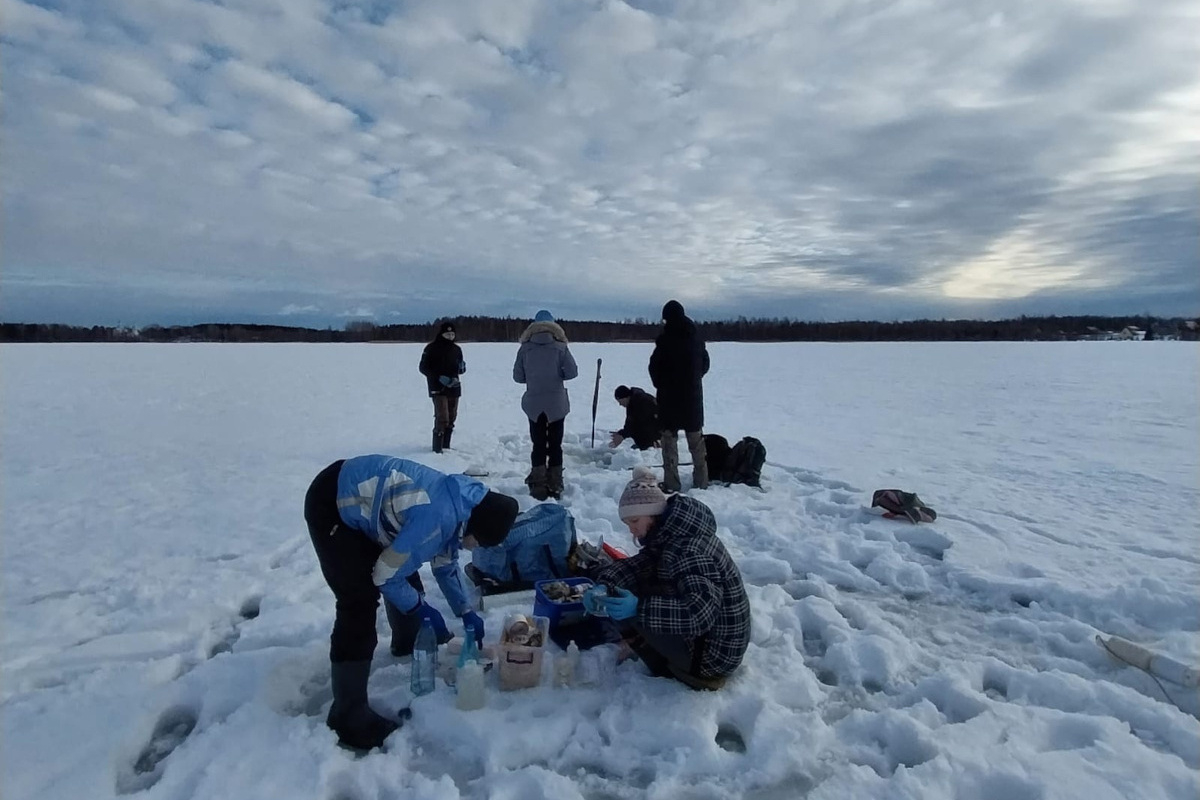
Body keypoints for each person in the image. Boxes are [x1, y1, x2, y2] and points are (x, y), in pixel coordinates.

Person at [304, 455, 519, 750]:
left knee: (406, 572)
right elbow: (385, 575)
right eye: (479, 543)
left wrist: (465, 610)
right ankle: (348, 715)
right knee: (359, 601)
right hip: (333, 504)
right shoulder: (437, 518)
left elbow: (444, 563)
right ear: (476, 529)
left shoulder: (464, 505)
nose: (475, 548)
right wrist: (421, 609)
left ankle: (407, 642)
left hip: (364, 500)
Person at [595, 466, 750, 690]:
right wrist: (605, 582)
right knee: (632, 585)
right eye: (628, 525)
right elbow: (642, 564)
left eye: (635, 521)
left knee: (635, 602)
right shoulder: (672, 531)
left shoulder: (690, 551)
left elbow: (699, 614)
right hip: (710, 643)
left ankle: (666, 664)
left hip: (711, 659)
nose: (632, 531)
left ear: (654, 513)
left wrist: (639, 609)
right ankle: (648, 644)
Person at [513, 309, 579, 500]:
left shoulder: (524, 348)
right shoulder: (561, 347)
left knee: (538, 444)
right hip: (557, 403)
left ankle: (538, 484)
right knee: (556, 445)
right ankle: (555, 482)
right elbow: (572, 372)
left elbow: (518, 376)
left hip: (534, 404)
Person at [648, 299, 710, 491]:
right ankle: (702, 481)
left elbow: (654, 368)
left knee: (669, 445)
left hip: (669, 401)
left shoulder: (665, 342)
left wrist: (661, 385)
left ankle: (672, 483)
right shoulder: (696, 340)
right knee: (697, 445)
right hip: (693, 399)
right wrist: (693, 380)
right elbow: (705, 365)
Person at [418, 320, 466, 453]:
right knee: (442, 417)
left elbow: (460, 368)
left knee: (452, 417)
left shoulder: (457, 349)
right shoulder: (431, 348)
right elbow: (423, 367)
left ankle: (446, 447)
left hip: (454, 387)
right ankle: (437, 449)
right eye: (447, 334)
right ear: (442, 334)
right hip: (437, 388)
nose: (450, 337)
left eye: (452, 334)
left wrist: (462, 368)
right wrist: (438, 377)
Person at [610, 385, 659, 450]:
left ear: (624, 397)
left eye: (620, 401)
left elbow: (637, 424)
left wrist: (622, 436)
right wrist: (621, 433)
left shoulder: (640, 402)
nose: (620, 404)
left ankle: (649, 447)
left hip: (658, 432)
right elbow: (630, 423)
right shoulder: (633, 401)